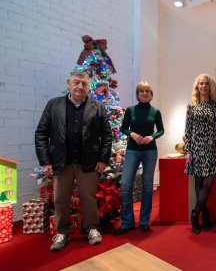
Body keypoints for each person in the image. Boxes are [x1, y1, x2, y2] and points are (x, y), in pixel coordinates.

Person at [35, 69, 112, 251]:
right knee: (61, 199)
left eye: (84, 84)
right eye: (76, 82)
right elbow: (41, 133)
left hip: (89, 162)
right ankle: (62, 231)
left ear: (89, 87)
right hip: (61, 162)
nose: (80, 86)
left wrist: (103, 159)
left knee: (89, 198)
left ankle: (92, 228)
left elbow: (106, 136)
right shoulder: (54, 105)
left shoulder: (98, 107)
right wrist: (46, 162)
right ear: (69, 83)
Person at [114, 81, 164, 235]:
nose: (144, 93)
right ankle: (128, 221)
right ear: (137, 94)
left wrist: (152, 136)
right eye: (141, 91)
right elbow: (123, 128)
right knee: (125, 184)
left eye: (147, 91)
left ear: (151, 94)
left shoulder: (155, 111)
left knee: (147, 186)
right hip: (133, 151)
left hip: (150, 151)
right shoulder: (130, 110)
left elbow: (161, 130)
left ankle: (144, 220)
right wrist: (132, 134)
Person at [184, 74, 216, 235]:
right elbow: (187, 129)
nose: (203, 86)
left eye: (206, 84)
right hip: (196, 148)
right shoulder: (192, 105)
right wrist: (188, 149)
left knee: (208, 183)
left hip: (211, 149)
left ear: (210, 87)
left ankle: (195, 214)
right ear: (197, 86)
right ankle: (205, 213)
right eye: (201, 84)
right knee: (199, 183)